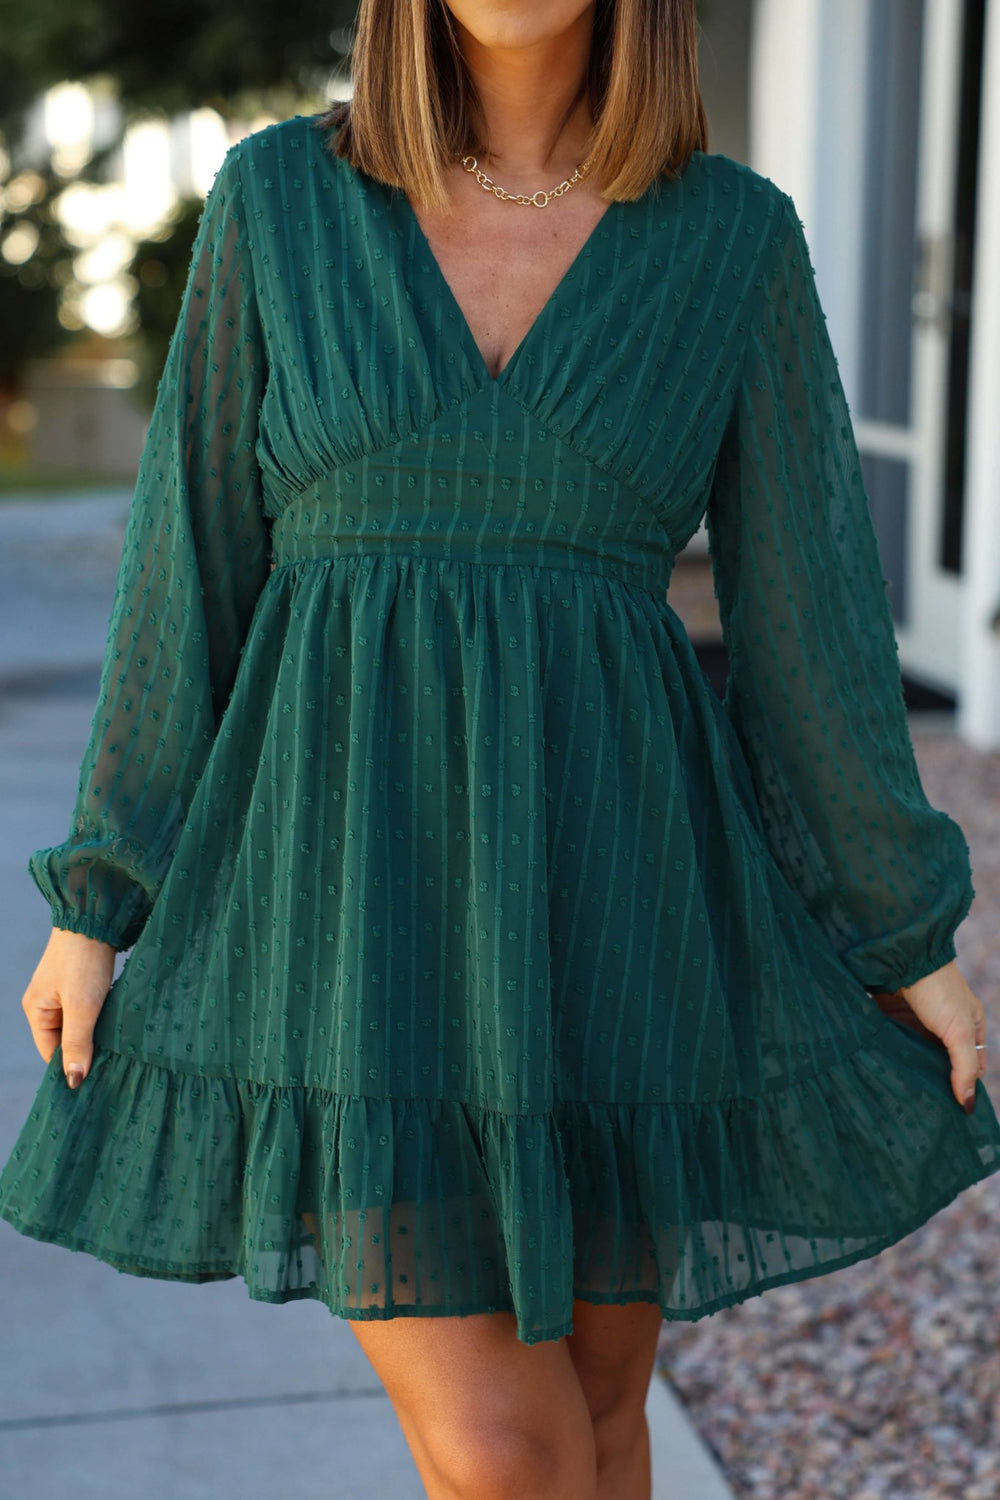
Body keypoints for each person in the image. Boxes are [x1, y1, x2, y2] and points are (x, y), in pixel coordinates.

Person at [2, 1, 999, 1496]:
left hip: (616, 893)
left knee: (600, 1425)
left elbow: (813, 622)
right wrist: (104, 893)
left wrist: (899, 925)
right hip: (350, 919)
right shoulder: (280, 203)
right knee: (505, 1453)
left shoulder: (729, 236)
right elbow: (185, 573)